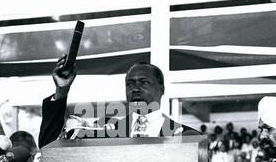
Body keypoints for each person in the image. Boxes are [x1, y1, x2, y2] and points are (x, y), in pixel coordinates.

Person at [39, 56, 200, 147]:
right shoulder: (104, 130)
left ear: (162, 88)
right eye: (130, 84)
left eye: (144, 82)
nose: (135, 88)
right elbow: (49, 148)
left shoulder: (186, 137)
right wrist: (62, 91)